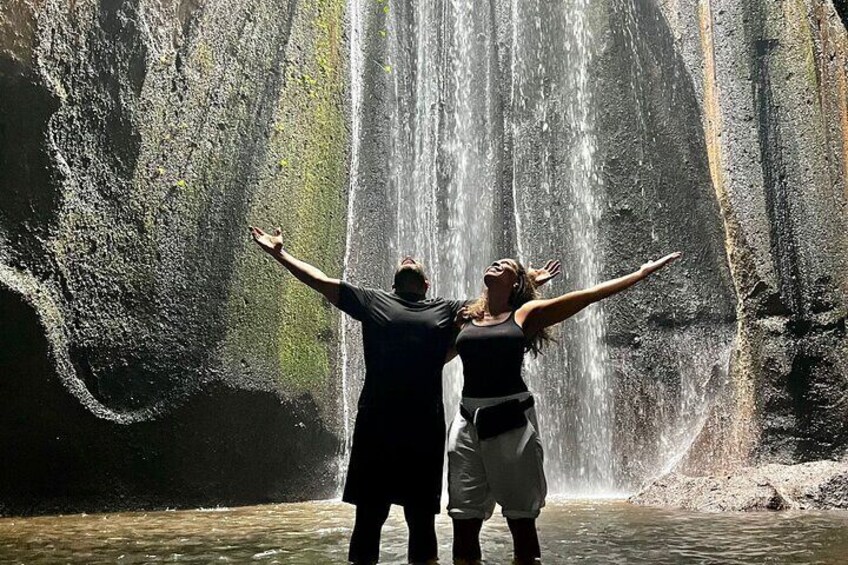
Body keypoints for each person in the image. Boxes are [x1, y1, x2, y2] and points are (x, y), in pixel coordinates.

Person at [249, 225, 559, 564]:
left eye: (415, 263)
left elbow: (497, 306)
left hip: (424, 430)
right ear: (394, 282)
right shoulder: (371, 301)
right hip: (375, 426)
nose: (409, 259)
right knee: (368, 517)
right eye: (404, 262)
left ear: (426, 285)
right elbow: (321, 282)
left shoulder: (447, 309)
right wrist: (280, 255)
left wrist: (526, 284)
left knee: (421, 520)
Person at [448, 252, 681, 564]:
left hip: (510, 421)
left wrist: (640, 273)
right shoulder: (467, 316)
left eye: (505, 265)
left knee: (520, 521)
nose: (496, 263)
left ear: (515, 283)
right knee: (463, 519)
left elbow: (585, 296)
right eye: (495, 262)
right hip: (466, 421)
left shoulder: (525, 314)